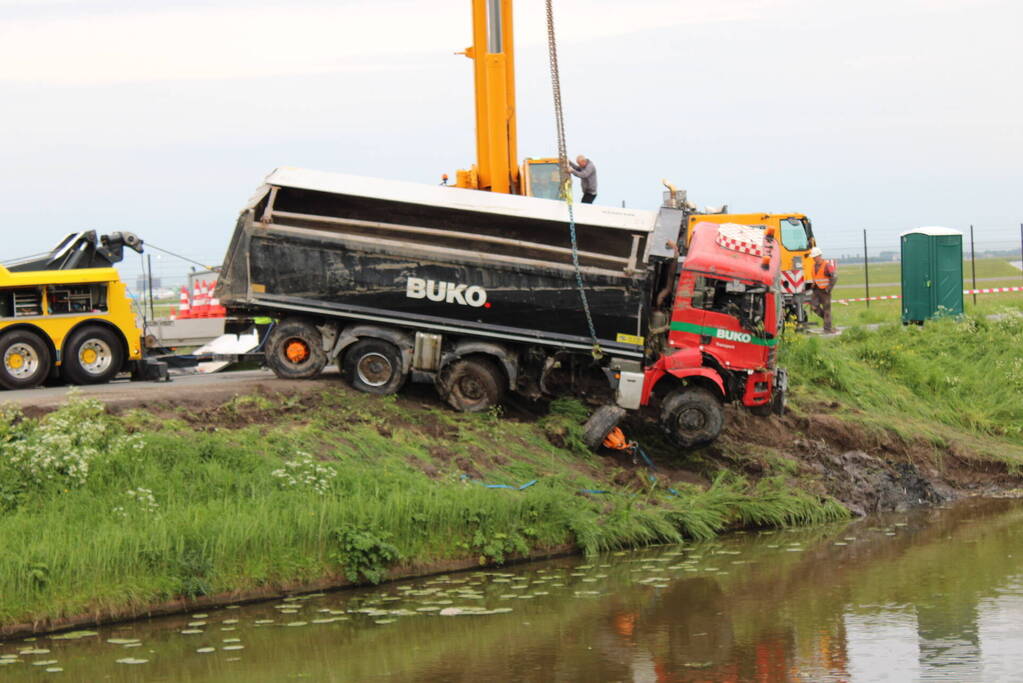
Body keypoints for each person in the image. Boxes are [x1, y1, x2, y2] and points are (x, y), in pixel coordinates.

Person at [809, 247, 837, 333]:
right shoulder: (813, 266)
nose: (813, 259)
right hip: (816, 290)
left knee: (826, 310)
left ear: (819, 256)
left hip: (825, 291)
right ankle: (828, 319)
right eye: (813, 257)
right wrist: (813, 284)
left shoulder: (827, 265)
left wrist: (828, 288)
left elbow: (834, 277)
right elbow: (816, 277)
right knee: (814, 307)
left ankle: (827, 329)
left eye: (814, 257)